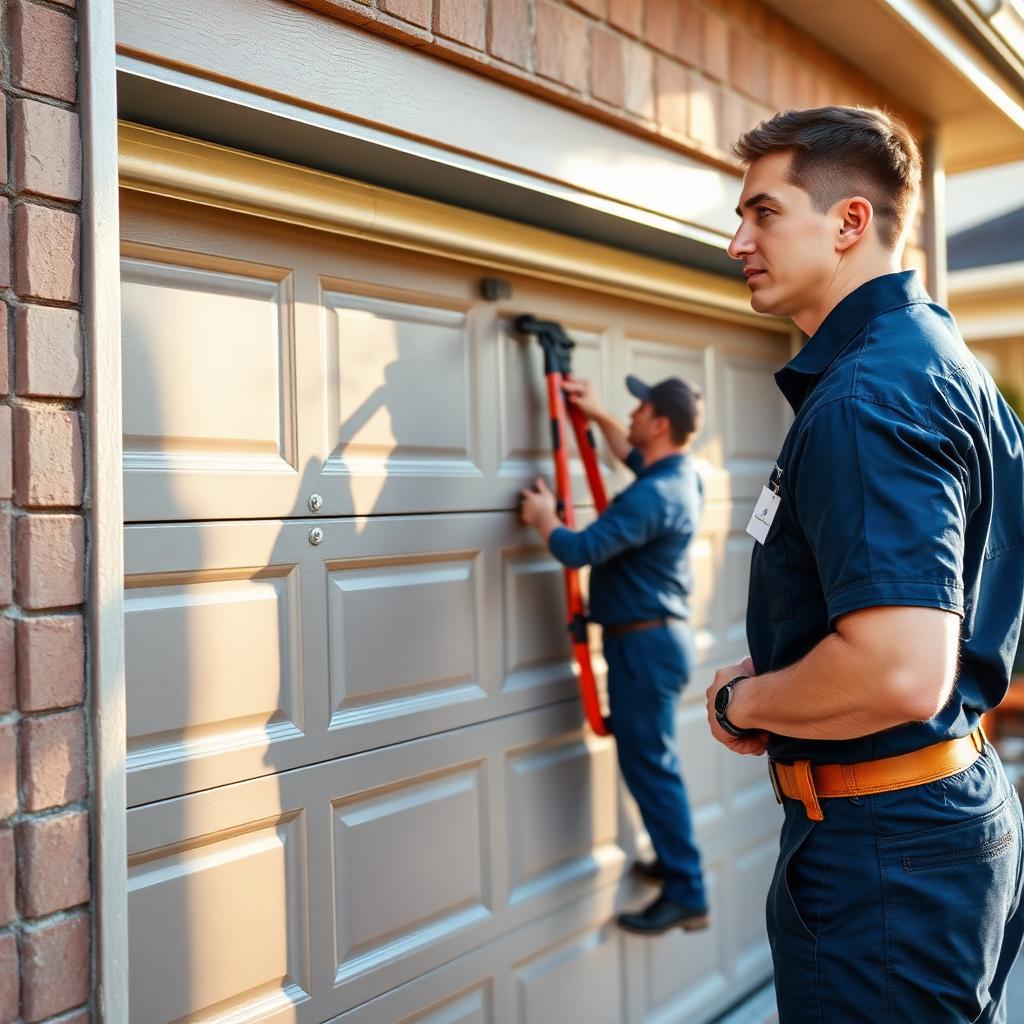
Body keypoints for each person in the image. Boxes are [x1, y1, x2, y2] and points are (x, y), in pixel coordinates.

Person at [706, 105, 1024, 1022]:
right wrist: (791, 666)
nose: (738, 242)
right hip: (939, 817)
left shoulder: (865, 397)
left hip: (885, 855)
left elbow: (898, 673)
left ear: (849, 221)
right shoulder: (937, 358)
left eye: (763, 213)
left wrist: (743, 703)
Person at [519, 373, 708, 934]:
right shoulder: (678, 476)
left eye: (639, 409)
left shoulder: (654, 495)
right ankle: (678, 865)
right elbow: (632, 455)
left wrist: (543, 517)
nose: (631, 415)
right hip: (655, 642)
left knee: (650, 768)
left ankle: (687, 890)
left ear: (660, 424)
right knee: (653, 764)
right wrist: (597, 412)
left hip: (644, 648)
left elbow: (579, 549)